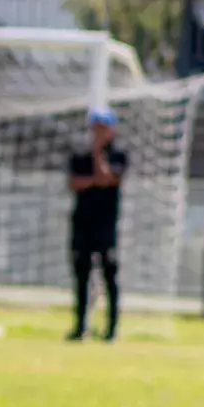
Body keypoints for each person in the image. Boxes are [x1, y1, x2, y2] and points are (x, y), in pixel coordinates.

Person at [67, 106, 127, 342]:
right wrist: (94, 180)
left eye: (103, 128)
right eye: (95, 128)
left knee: (109, 276)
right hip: (82, 224)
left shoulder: (118, 155)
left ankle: (111, 329)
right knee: (81, 276)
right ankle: (80, 326)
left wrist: (98, 156)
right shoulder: (79, 154)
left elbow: (106, 178)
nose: (98, 133)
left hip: (106, 226)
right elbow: (74, 183)